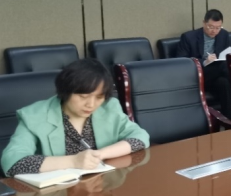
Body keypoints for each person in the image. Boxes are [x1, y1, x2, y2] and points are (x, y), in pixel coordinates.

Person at [1, 59, 150, 177]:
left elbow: (140, 137)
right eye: (83, 96)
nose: (91, 104)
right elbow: (13, 162)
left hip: (101, 185)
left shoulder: (108, 107)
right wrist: (73, 161)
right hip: (56, 195)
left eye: (99, 97)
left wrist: (100, 154)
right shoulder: (34, 116)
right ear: (65, 91)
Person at [176, 9, 231, 120]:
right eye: (211, 27)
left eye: (218, 27)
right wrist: (204, 62)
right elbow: (181, 62)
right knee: (224, 67)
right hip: (196, 76)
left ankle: (230, 121)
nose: (214, 31)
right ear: (204, 23)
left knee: (224, 83)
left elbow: (226, 55)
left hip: (216, 75)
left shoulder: (224, 35)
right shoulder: (188, 37)